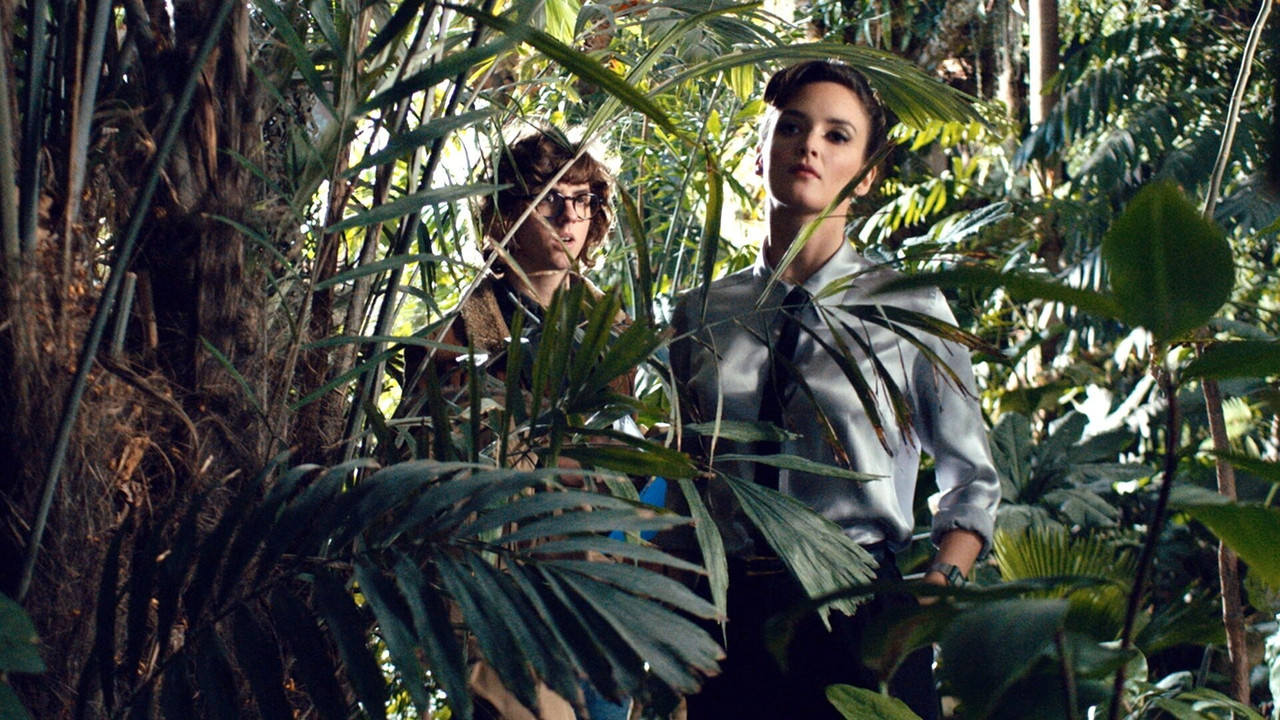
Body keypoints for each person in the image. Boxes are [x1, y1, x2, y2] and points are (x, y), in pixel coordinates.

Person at [667, 60, 1001, 719]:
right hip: (726, 621)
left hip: (859, 615)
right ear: (760, 151)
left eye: (837, 134)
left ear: (867, 174)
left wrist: (926, 601)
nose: (810, 146)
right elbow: (684, 476)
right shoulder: (700, 312)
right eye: (792, 127)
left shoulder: (908, 307)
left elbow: (974, 482)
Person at [405, 128, 634, 720]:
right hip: (498, 595)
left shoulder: (617, 332)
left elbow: (630, 459)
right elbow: (422, 478)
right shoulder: (450, 340)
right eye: (549, 198)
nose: (569, 216)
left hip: (605, 588)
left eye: (582, 199)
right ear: (505, 211)